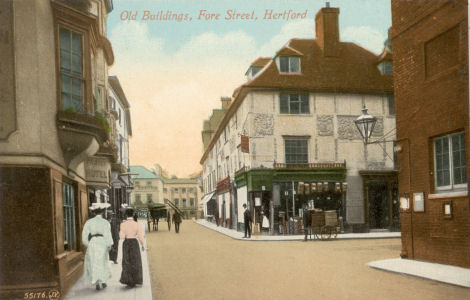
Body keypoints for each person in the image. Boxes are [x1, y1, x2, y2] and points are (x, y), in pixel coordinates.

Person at [81, 203, 114, 291]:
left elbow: (84, 236)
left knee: (94, 262)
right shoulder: (105, 222)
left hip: (93, 242)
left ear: (94, 212)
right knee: (102, 262)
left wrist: (88, 244)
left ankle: (97, 281)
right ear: (103, 212)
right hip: (102, 242)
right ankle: (102, 281)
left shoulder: (89, 222)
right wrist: (109, 245)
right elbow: (108, 234)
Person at [119, 208, 145, 288]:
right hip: (134, 243)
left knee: (127, 260)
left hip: (126, 243)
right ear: (133, 214)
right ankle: (136, 279)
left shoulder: (123, 224)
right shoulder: (136, 224)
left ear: (126, 215)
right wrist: (142, 244)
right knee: (135, 260)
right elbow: (140, 235)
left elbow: (121, 236)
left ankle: (128, 280)